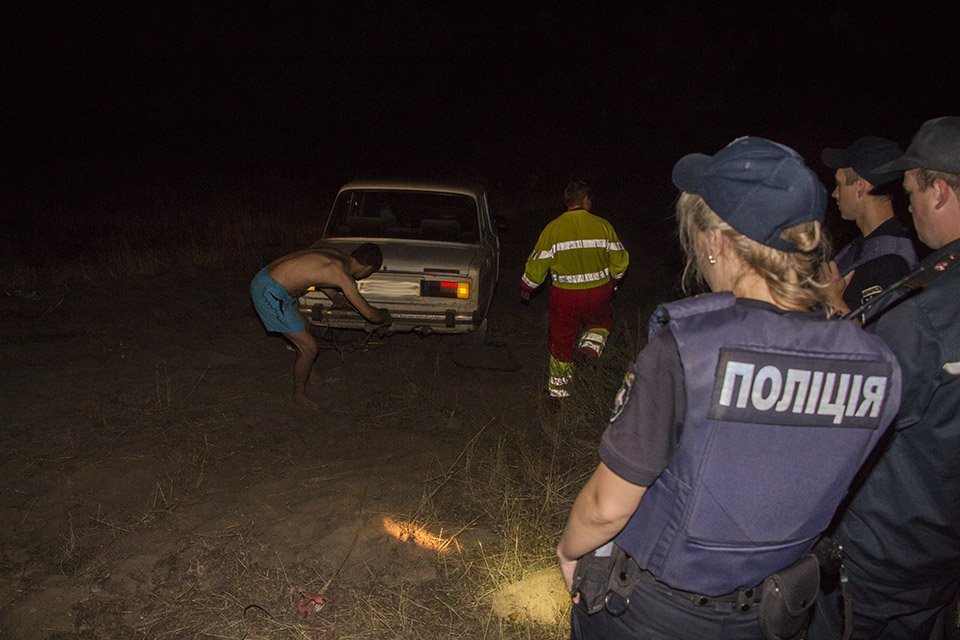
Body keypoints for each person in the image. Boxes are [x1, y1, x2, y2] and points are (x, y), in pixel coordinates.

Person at [556, 137, 902, 640]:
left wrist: (569, 550)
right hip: (778, 613)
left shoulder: (687, 351)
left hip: (655, 613)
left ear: (717, 242)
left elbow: (607, 507)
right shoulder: (879, 365)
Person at [808, 117, 960, 640]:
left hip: (886, 550)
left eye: (914, 188)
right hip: (938, 544)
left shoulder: (921, 304)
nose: (908, 202)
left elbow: (851, 413)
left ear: (939, 190)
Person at [520, 181, 629, 399]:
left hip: (565, 297)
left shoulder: (553, 229)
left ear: (567, 202)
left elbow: (537, 265)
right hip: (599, 293)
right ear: (586, 200)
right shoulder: (603, 226)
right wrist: (614, 280)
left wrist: (527, 287)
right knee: (600, 325)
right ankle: (587, 352)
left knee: (561, 341)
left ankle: (559, 395)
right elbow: (620, 260)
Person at [250, 243, 391, 408]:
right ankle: (299, 395)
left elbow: (320, 274)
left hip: (267, 279)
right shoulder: (342, 275)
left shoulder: (336, 256)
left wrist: (335, 297)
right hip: (269, 292)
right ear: (367, 268)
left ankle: (314, 378)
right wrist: (386, 316)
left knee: (304, 326)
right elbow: (371, 315)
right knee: (309, 347)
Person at [820, 135, 918, 318]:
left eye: (839, 184)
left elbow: (885, 341)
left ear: (860, 187)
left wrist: (834, 301)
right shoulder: (861, 248)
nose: (834, 194)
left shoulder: (891, 261)